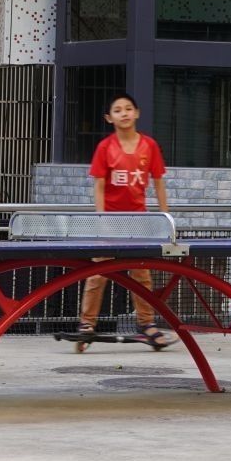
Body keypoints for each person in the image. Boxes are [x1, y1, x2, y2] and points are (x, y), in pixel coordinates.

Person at [78, 92, 171, 348]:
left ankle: (147, 324)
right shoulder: (105, 148)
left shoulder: (149, 146)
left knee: (141, 274)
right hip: (110, 221)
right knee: (98, 274)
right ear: (110, 118)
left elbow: (159, 183)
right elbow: (98, 186)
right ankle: (87, 324)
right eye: (118, 110)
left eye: (128, 108)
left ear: (137, 113)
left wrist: (166, 217)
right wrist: (101, 219)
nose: (124, 113)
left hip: (138, 221)